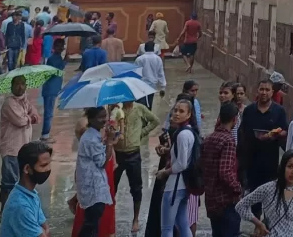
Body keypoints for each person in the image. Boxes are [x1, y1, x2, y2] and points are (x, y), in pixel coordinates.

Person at [236, 149, 293, 237]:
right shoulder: (269, 188)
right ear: (283, 167)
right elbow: (240, 206)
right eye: (290, 166)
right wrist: (258, 223)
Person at [114, 99, 160, 236]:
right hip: (117, 153)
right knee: (112, 186)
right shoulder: (115, 108)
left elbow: (155, 121)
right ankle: (110, 216)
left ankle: (135, 219)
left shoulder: (140, 108)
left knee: (136, 188)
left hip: (133, 153)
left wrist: (141, 132)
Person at [157, 97, 200, 237]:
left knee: (167, 228)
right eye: (175, 110)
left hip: (174, 186)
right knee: (182, 224)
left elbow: (181, 163)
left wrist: (165, 172)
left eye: (181, 111)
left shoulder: (183, 135)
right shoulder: (188, 132)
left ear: (188, 115)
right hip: (183, 186)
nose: (176, 114)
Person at [0, 74, 40, 216]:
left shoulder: (24, 101)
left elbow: (36, 115)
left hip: (23, 148)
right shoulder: (9, 103)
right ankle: (5, 212)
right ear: (11, 86)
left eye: (23, 83)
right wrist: (29, 118)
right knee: (9, 182)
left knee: (20, 182)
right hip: (11, 149)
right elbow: (20, 121)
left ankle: (14, 210)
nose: (20, 87)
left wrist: (29, 116)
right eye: (17, 84)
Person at [238, 78, 289, 190]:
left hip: (270, 160)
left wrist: (275, 134)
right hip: (251, 160)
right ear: (257, 91)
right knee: (252, 193)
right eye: (261, 89)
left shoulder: (279, 110)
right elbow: (242, 132)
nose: (264, 92)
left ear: (272, 92)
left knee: (269, 194)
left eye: (267, 90)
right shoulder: (249, 110)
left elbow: (285, 130)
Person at [74, 106, 117, 237]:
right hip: (93, 188)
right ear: (91, 119)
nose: (104, 120)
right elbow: (103, 162)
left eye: (105, 116)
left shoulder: (93, 135)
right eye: (100, 117)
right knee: (91, 225)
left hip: (92, 186)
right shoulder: (91, 138)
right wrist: (109, 141)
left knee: (92, 224)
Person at [202, 102, 242, 237]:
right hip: (225, 200)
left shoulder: (209, 139)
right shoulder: (228, 141)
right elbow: (225, 172)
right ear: (235, 120)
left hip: (211, 199)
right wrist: (238, 189)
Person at [0, 140, 52, 237]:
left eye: (49, 164)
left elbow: (46, 228)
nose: (48, 169)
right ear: (27, 169)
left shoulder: (31, 193)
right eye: (43, 165)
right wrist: (42, 231)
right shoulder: (20, 206)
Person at [40, 38, 66, 140]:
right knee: (49, 113)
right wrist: (65, 62)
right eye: (59, 46)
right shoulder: (52, 58)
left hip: (53, 89)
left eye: (62, 46)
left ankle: (46, 133)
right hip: (50, 89)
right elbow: (56, 71)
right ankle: (45, 135)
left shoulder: (58, 57)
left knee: (50, 112)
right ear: (54, 47)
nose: (61, 48)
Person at [134, 40, 166, 109]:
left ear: (145, 48)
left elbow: (135, 73)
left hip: (140, 85)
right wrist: (162, 87)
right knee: (149, 104)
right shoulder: (158, 59)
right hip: (152, 85)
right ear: (154, 49)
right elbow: (161, 73)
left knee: (140, 105)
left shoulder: (139, 59)